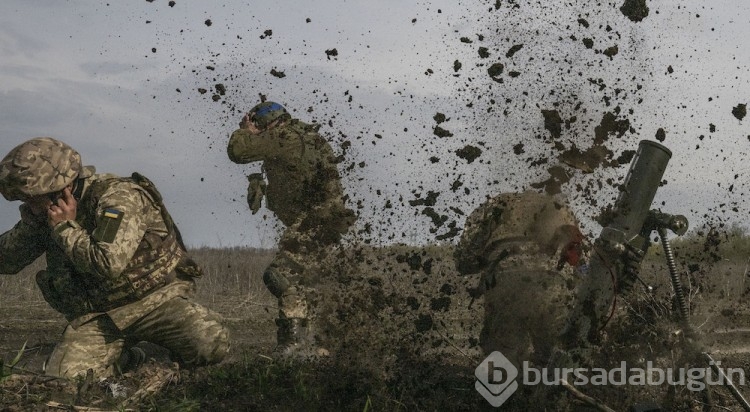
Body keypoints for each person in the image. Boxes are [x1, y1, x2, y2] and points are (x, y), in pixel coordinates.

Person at [0, 137, 229, 378]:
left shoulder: (118, 198)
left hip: (155, 302)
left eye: (33, 199)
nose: (29, 206)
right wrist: (35, 226)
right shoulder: (47, 213)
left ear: (62, 189)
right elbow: (7, 260)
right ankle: (132, 358)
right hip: (100, 317)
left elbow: (108, 263)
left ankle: (155, 352)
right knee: (66, 378)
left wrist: (65, 228)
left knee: (210, 343)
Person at [227, 101, 355, 355]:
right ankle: (324, 344)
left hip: (316, 223)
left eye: (258, 125)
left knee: (281, 275)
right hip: (324, 222)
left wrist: (244, 131)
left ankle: (294, 343)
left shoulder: (285, 136)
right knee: (309, 284)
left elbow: (238, 152)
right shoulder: (305, 136)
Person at [454, 191, 587, 366]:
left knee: (503, 356)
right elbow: (581, 263)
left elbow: (465, 259)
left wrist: (483, 263)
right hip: (554, 283)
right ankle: (562, 388)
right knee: (559, 354)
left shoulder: (497, 204)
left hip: (506, 280)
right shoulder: (561, 209)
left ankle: (505, 388)